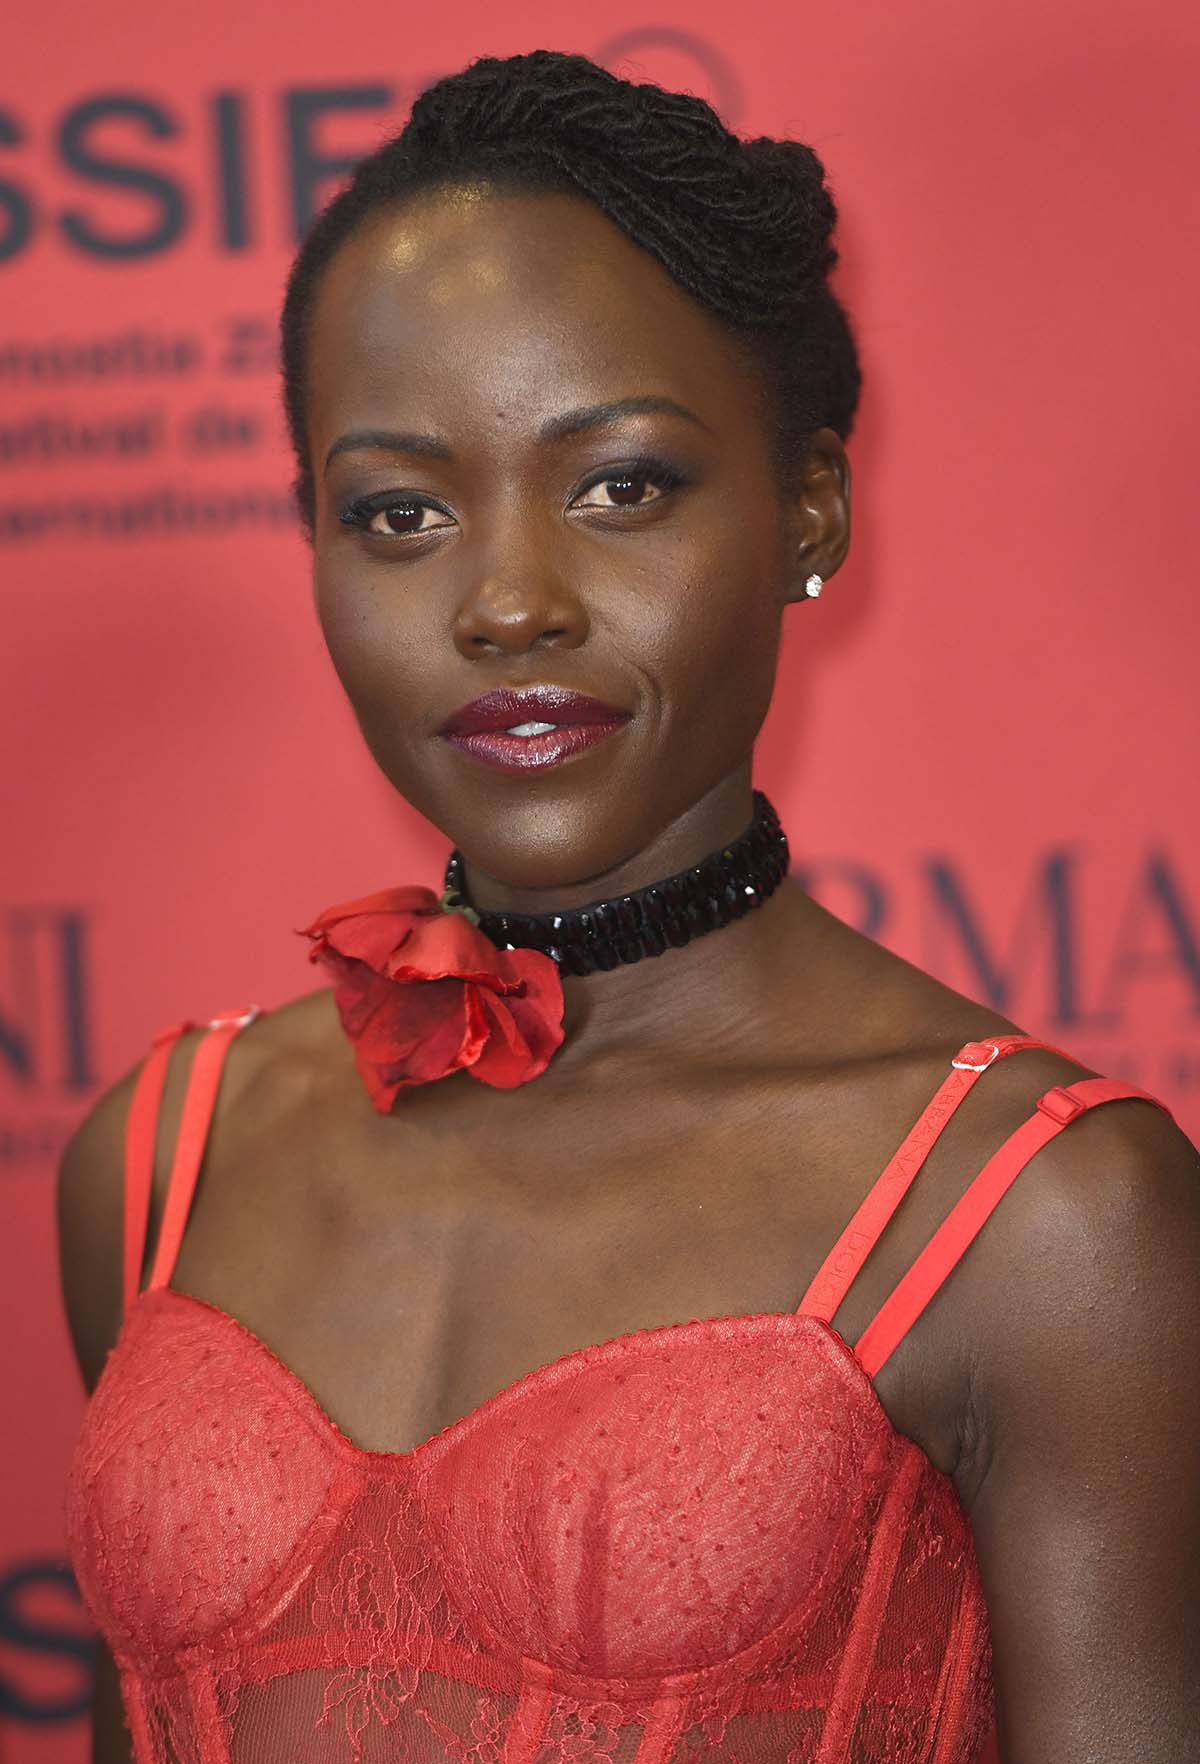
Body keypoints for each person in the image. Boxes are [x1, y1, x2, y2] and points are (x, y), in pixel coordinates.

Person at [57, 48, 1199, 1764]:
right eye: (400, 512)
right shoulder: (162, 1155)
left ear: (805, 510)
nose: (508, 602)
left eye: (620, 486)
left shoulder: (1047, 1219)